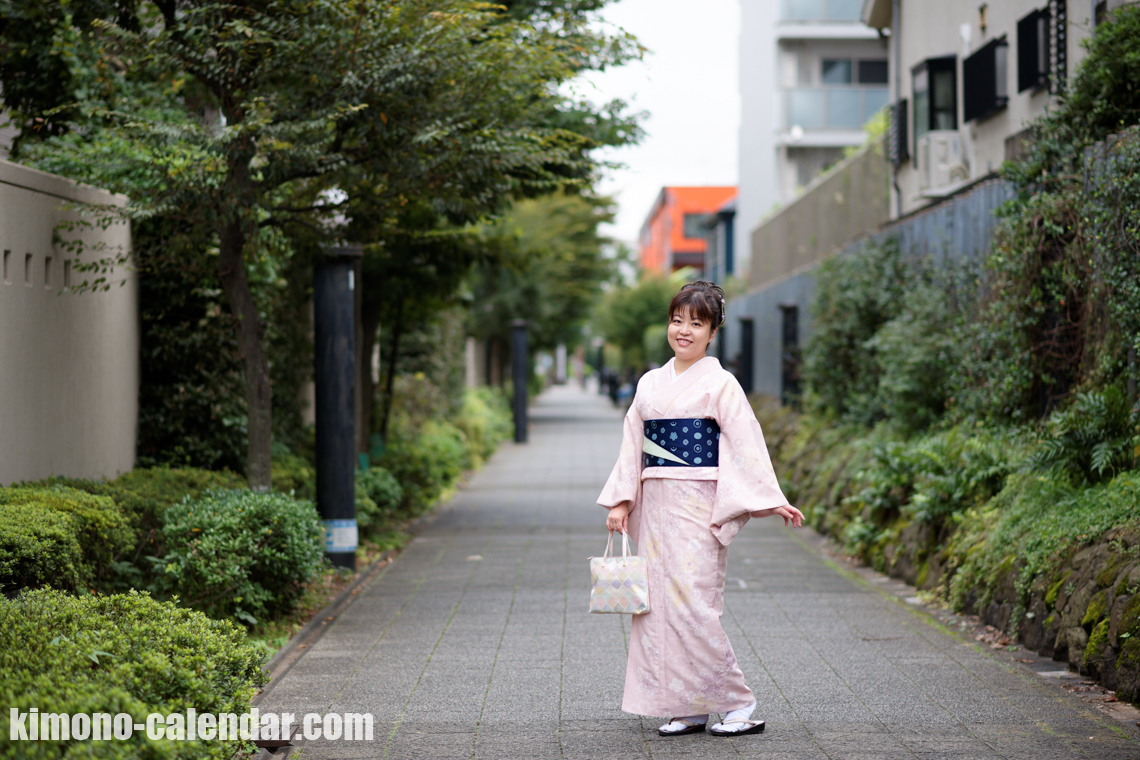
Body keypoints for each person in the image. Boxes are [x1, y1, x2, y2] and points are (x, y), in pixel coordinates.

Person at [596, 280, 804, 737]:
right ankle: (687, 705)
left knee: (694, 604)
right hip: (654, 504)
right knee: (657, 607)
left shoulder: (721, 383)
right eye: (677, 320)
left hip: (698, 501)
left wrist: (772, 499)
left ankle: (738, 703)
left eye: (696, 323)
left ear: (712, 333)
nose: (683, 331)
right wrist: (621, 500)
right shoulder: (650, 382)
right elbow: (633, 443)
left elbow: (747, 443)